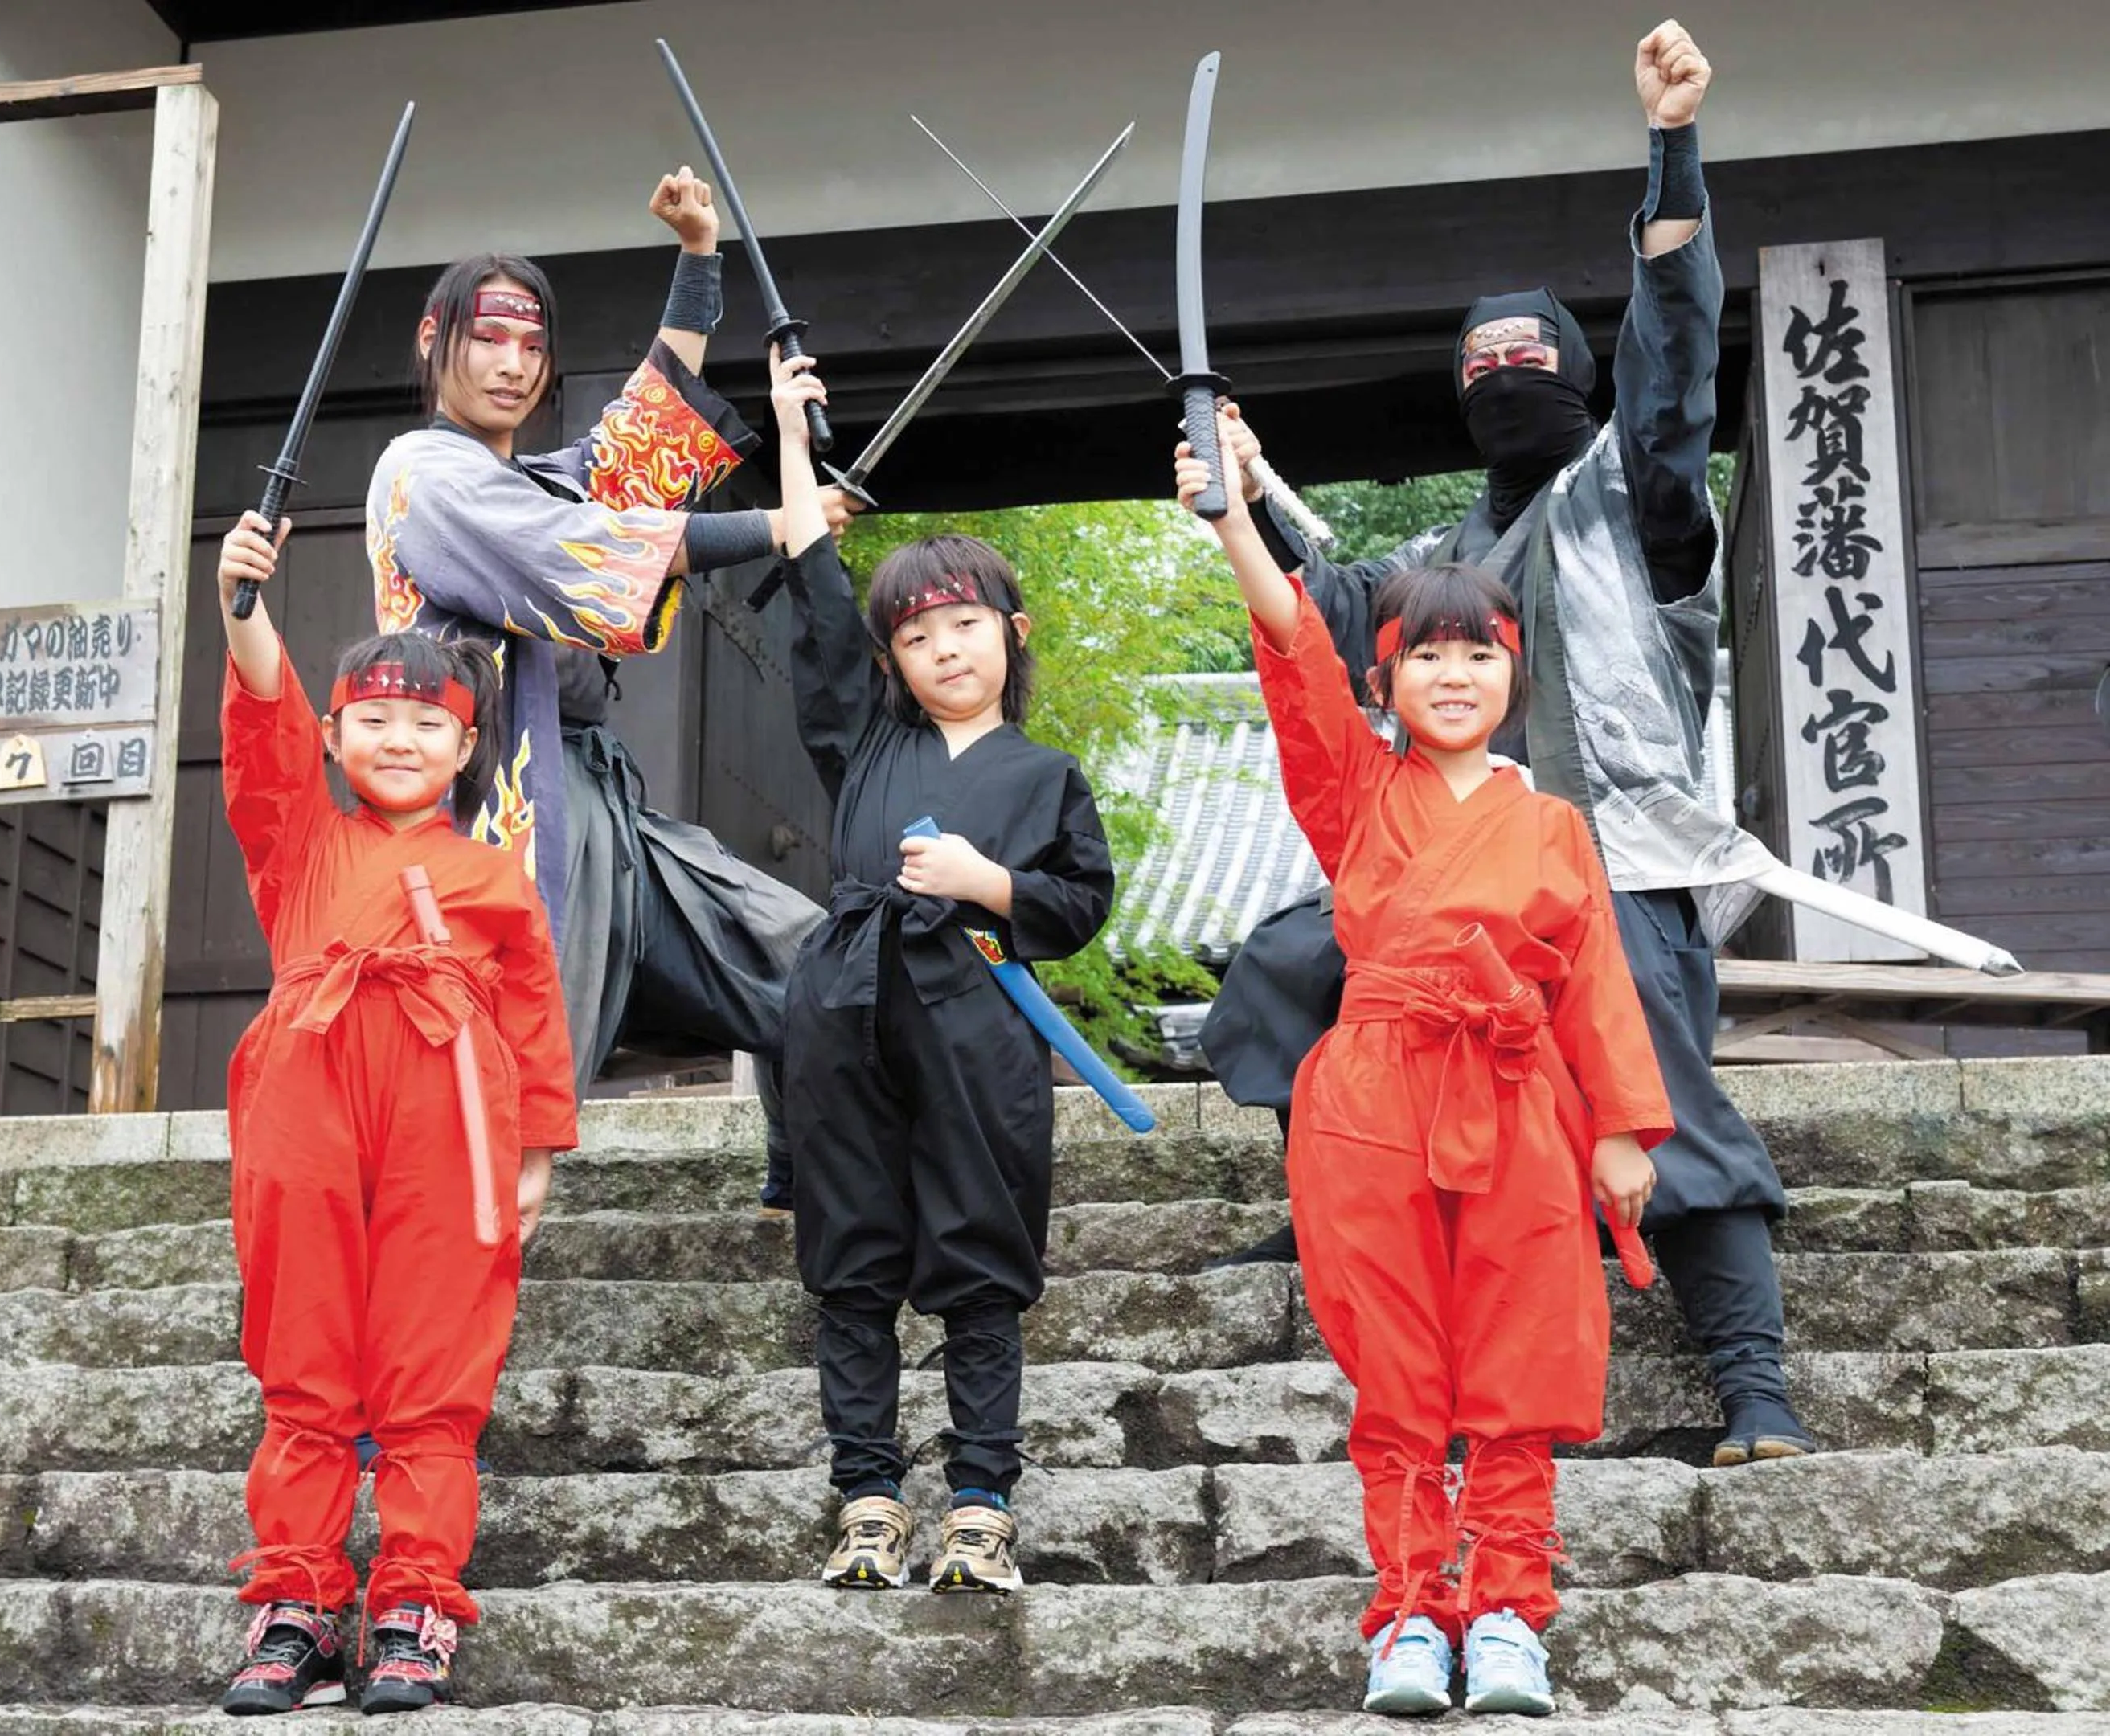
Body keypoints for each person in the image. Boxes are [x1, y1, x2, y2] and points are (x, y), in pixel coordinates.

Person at [1200, 19, 1818, 1468]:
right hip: (1447, 893)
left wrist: (1672, 158)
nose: (1502, 382)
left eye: (1525, 361)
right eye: (1479, 367)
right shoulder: (1451, 558)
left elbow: (1670, 372)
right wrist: (1239, 492)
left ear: (1572, 375)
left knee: (1654, 1092)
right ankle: (1333, 1202)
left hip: (1615, 869)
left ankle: (1757, 1386)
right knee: (1296, 965)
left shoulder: (1638, 494)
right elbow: (1340, 612)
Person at [1179, 417, 1673, 1718]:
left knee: (1515, 1364)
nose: (1453, 676)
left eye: (1479, 655)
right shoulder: (1352, 788)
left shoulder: (1555, 824)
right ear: (1387, 676)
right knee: (1400, 1371)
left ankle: (1508, 1611)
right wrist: (1233, 515)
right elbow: (1293, 658)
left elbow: (1597, 983)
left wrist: (1623, 1126)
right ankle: (1407, 1613)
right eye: (1425, 656)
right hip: (1375, 1099)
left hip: (1518, 1100)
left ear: (1515, 672)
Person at [365, 168, 834, 1213]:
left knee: (811, 959)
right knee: (495, 1118)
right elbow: (584, 542)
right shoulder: (420, 476)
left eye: (532, 346)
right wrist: (773, 528)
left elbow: (639, 441)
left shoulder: (536, 477)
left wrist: (700, 262)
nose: (510, 364)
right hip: (506, 821)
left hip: (605, 807)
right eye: (487, 338)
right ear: (432, 340)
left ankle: (811, 1181)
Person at [211, 514, 575, 1716]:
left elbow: (531, 1007)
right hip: (304, 1097)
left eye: (431, 723)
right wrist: (242, 605)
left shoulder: (495, 875)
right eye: (374, 718)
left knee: (433, 1365)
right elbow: (261, 733)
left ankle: (414, 1600)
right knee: (305, 1356)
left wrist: (534, 1146)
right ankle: (299, 1604)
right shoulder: (299, 839)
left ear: (469, 748)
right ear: (338, 734)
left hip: (452, 1117)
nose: (403, 737)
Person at [765, 348, 1114, 1594]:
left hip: (976, 1032)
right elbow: (812, 581)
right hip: (847, 1015)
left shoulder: (1045, 776)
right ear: (896, 658)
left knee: (978, 1264)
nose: (945, 648)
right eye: (918, 633)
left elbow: (1080, 902)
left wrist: (988, 885)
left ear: (1008, 633)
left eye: (965, 624)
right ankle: (867, 1497)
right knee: (851, 1263)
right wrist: (791, 434)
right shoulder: (864, 739)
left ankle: (979, 1503)